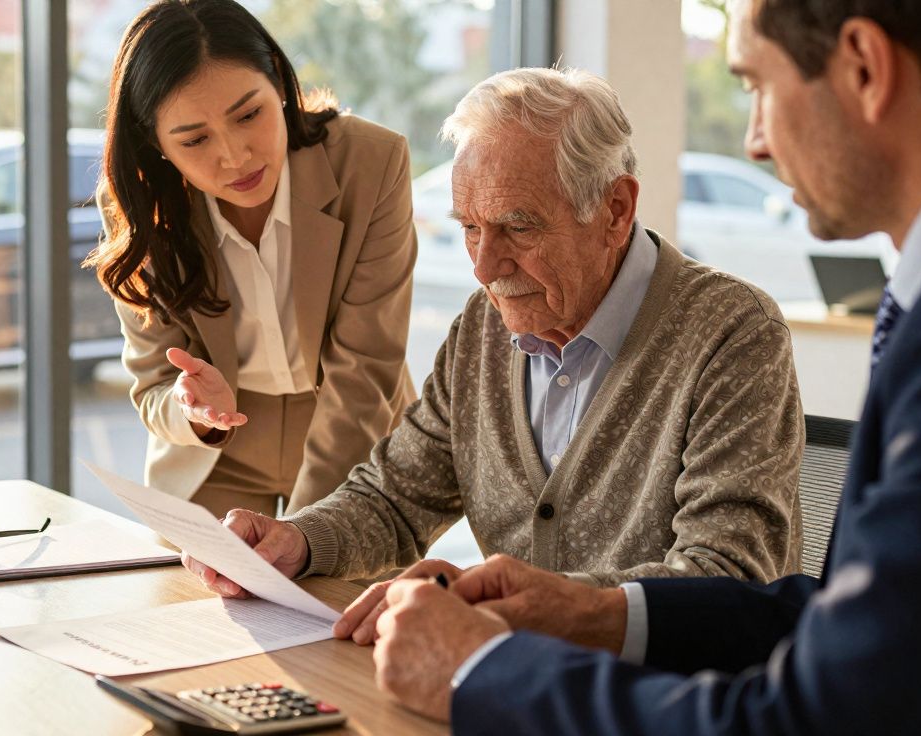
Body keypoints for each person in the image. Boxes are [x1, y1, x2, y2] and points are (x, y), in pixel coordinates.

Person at [370, 0, 921, 732]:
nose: (754, 142)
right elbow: (861, 622)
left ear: (864, 65)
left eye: (755, 84)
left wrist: (482, 671)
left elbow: (825, 712)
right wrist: (593, 612)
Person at [184, 66, 805, 645]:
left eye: (518, 226)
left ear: (616, 209)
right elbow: (397, 498)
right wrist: (297, 540)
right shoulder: (485, 326)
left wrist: (510, 606)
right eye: (469, 228)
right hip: (515, 687)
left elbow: (728, 578)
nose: (484, 267)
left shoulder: (732, 332)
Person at [86, 0, 417, 518]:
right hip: (216, 454)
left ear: (281, 89)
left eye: (249, 115)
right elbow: (152, 384)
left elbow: (366, 372)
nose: (235, 155)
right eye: (194, 139)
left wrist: (307, 538)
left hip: (356, 433)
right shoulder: (139, 203)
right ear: (156, 145)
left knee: (342, 594)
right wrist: (193, 408)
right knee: (200, 598)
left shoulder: (371, 162)